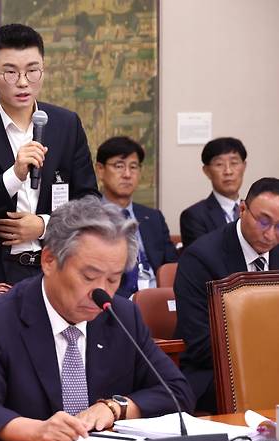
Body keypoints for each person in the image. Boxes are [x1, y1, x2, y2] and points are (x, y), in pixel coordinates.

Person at [0, 196, 194, 441]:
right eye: (89, 276)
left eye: (113, 279)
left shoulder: (121, 315)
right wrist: (36, 431)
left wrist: (115, 408)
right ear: (49, 260)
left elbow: (177, 390)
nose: (101, 292)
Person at [0, 23, 98, 286]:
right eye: (11, 72)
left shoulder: (66, 124)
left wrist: (45, 225)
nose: (23, 82)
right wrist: (13, 177)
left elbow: (90, 201)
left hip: (55, 270)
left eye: (32, 70)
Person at [175, 177, 279, 413]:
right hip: (216, 370)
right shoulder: (201, 258)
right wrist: (264, 354)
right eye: (264, 222)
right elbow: (199, 342)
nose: (271, 235)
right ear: (242, 209)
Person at [95, 136, 177, 297]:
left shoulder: (153, 217)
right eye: (119, 166)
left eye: (133, 167)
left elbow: (171, 266)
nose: (127, 174)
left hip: (158, 300)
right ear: (100, 170)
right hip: (115, 301)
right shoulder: (90, 217)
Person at [180, 137, 247, 248]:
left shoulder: (254, 211)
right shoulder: (194, 216)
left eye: (234, 163)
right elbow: (202, 260)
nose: (228, 171)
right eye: (219, 164)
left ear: (244, 167)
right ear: (207, 171)